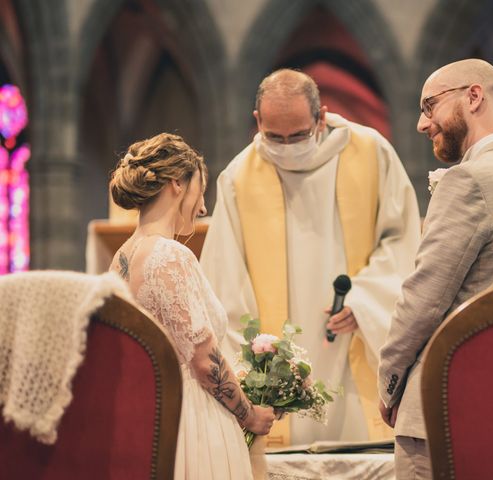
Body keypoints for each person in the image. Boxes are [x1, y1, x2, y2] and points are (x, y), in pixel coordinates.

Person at [200, 69, 421, 446]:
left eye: (298, 135)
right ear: (257, 122)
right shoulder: (238, 177)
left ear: (321, 117)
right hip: (278, 354)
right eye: (274, 137)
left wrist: (365, 302)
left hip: (354, 337)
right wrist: (255, 357)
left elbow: (402, 239)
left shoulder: (371, 152)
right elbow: (225, 277)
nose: (286, 146)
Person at [377, 58, 493, 479]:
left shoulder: (469, 181)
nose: (423, 124)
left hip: (445, 405)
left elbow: (423, 299)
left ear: (473, 96)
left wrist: (388, 381)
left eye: (429, 107)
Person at [108, 133, 275, 480]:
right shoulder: (170, 255)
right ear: (177, 184)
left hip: (146, 416)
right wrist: (251, 416)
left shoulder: (120, 257)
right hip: (190, 423)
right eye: (201, 190)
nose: (202, 207)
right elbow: (203, 360)